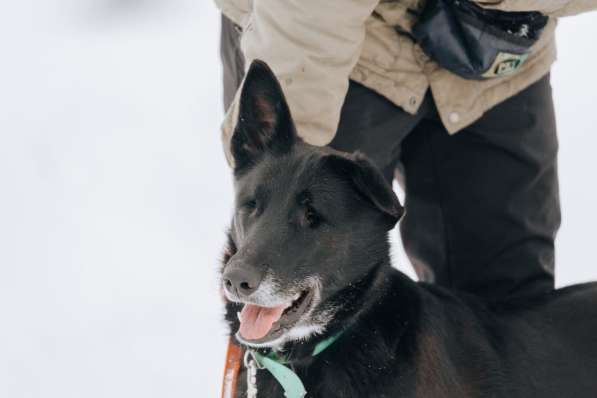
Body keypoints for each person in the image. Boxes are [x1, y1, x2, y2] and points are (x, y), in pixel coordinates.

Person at [216, 0, 596, 302]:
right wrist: (292, 150)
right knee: (297, 295)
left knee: (507, 299)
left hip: (494, 44)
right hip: (328, 40)